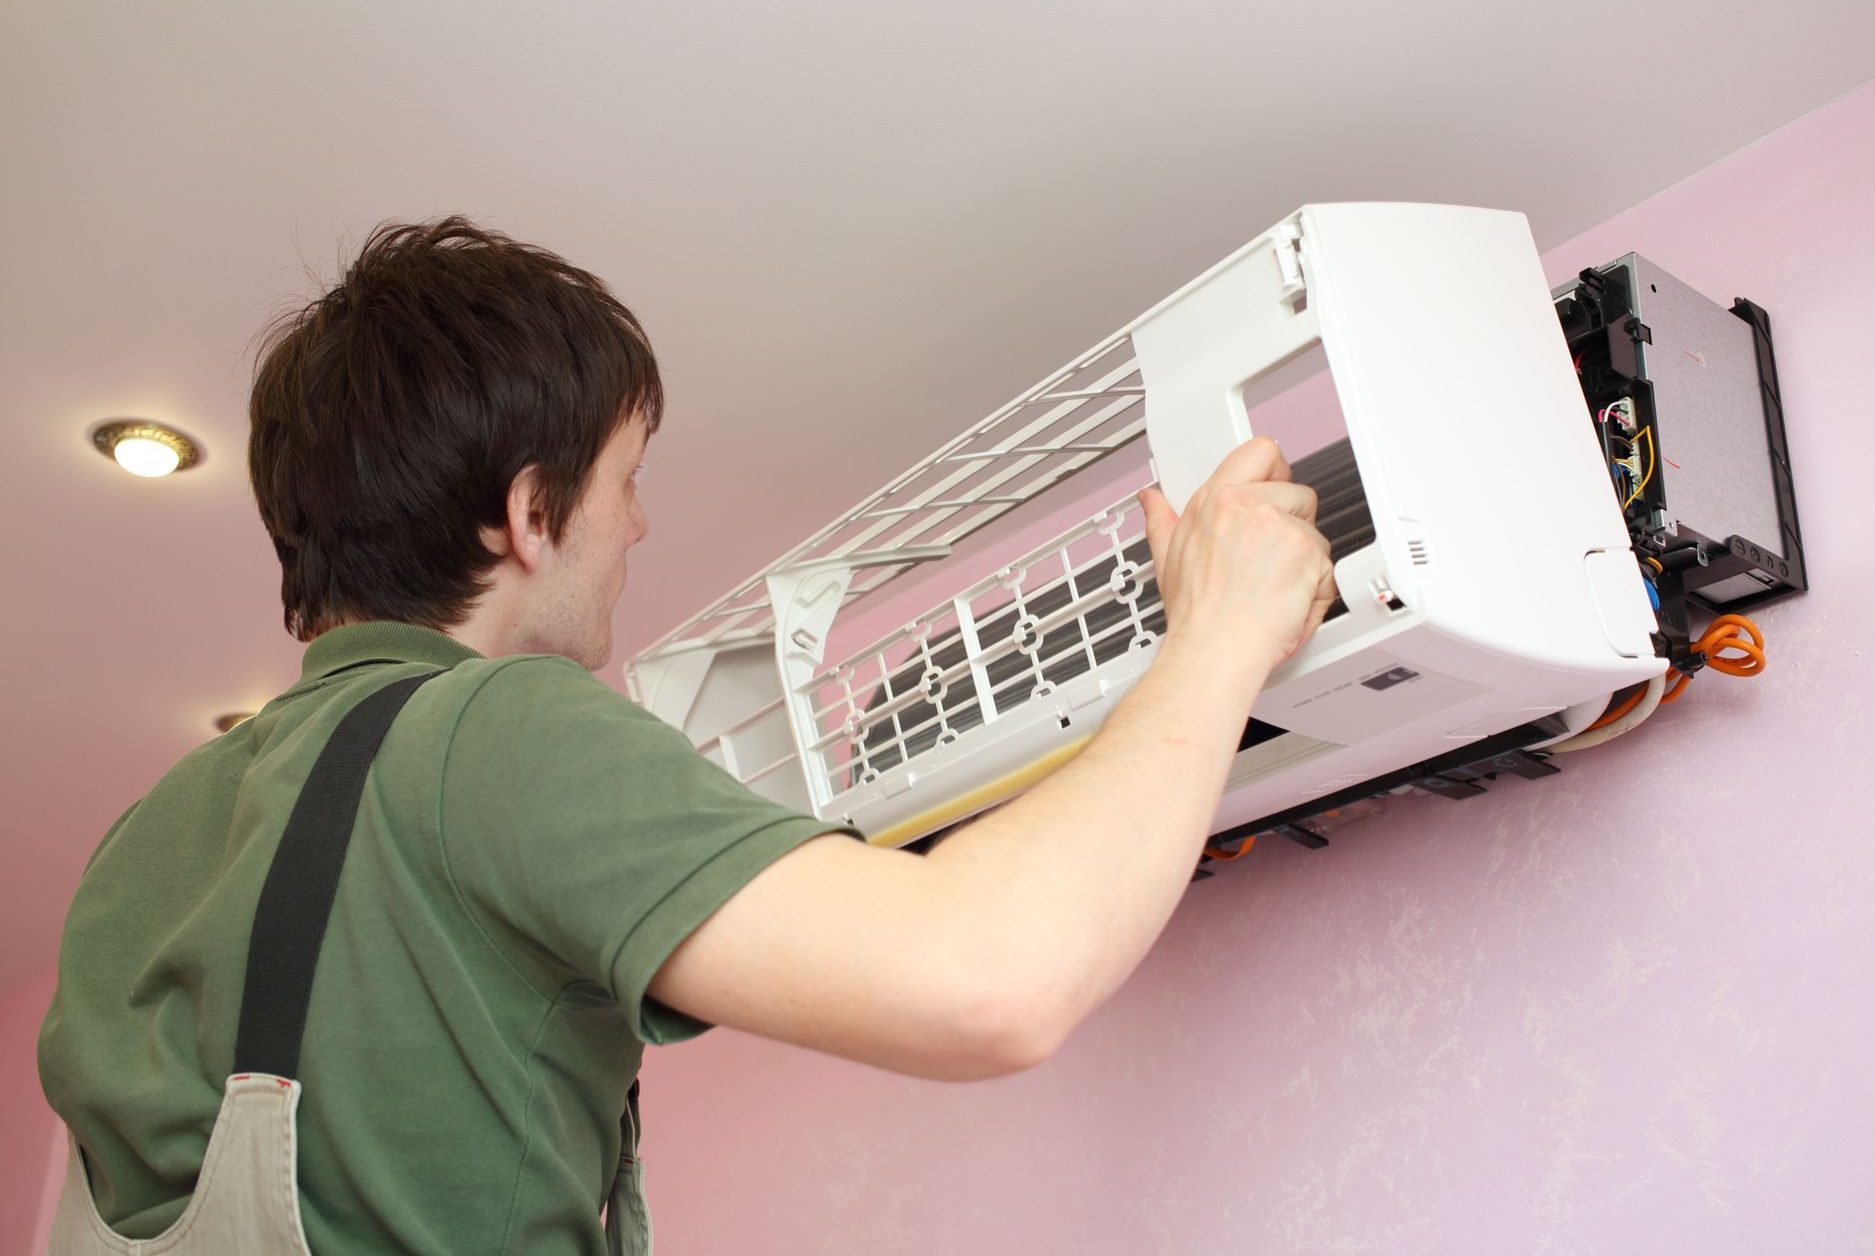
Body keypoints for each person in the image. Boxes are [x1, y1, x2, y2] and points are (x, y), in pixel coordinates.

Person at [37, 217, 1337, 1254]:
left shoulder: (141, 847)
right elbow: (983, 980)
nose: (641, 528)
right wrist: (1219, 634)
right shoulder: (498, 730)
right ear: (527, 516)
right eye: (626, 479)